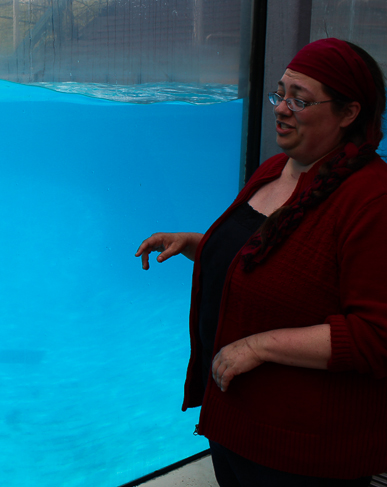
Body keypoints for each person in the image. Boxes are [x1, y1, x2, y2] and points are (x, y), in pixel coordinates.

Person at [135, 38, 387, 486]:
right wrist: (199, 244)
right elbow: (269, 255)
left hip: (304, 452)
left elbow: (376, 333)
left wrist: (257, 346)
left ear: (349, 113)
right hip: (235, 426)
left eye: (301, 99)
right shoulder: (275, 169)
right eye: (280, 92)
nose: (281, 108)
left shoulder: (372, 201)